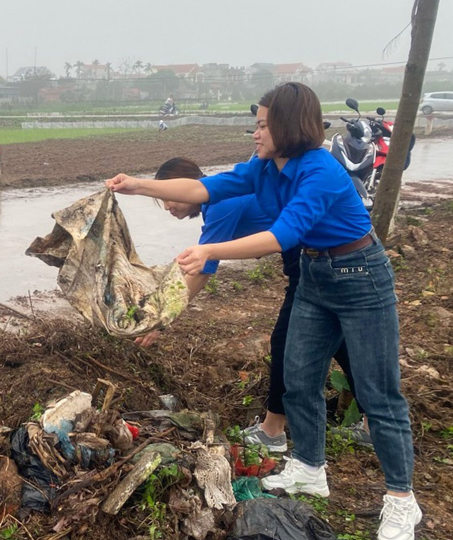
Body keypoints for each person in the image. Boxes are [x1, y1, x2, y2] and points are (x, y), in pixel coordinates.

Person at [106, 82, 420, 540]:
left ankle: (401, 500)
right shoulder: (264, 167)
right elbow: (205, 186)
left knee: (379, 393)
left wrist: (211, 249)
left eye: (262, 125)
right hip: (313, 275)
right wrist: (135, 184)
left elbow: (283, 235)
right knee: (298, 376)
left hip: (359, 276)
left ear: (288, 126)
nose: (255, 133)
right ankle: (310, 466)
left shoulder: (320, 172)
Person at [136, 157, 368, 453]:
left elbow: (203, 269)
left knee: (286, 342)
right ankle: (372, 422)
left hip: (309, 259)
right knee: (339, 342)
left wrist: (161, 320)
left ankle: (272, 431)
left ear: (189, 187)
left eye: (170, 197)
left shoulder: (220, 206)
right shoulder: (218, 205)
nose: (168, 206)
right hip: (312, 256)